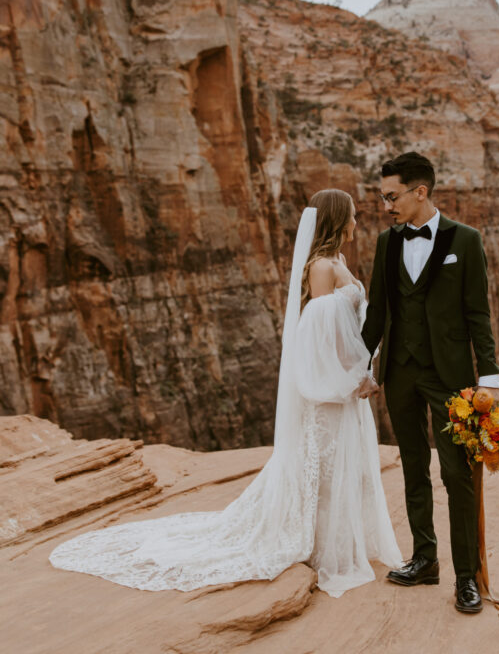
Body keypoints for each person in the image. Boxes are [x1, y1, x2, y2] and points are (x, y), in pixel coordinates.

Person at [49, 190, 402, 598]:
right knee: (322, 471)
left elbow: (346, 332)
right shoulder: (322, 267)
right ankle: (323, 550)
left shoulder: (339, 261)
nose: (358, 223)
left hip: (348, 388)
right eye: (354, 216)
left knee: (342, 468)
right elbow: (319, 339)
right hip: (332, 394)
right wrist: (351, 381)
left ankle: (342, 542)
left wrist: (365, 369)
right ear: (339, 219)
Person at [361, 152, 499, 614]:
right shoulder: (387, 242)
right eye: (384, 197)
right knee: (413, 467)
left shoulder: (467, 240)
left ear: (420, 191)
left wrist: (490, 377)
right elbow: (378, 312)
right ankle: (425, 559)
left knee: (456, 473)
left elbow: (478, 315)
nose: (387, 206)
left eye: (392, 196)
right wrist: (362, 367)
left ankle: (466, 576)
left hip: (451, 380)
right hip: (400, 373)